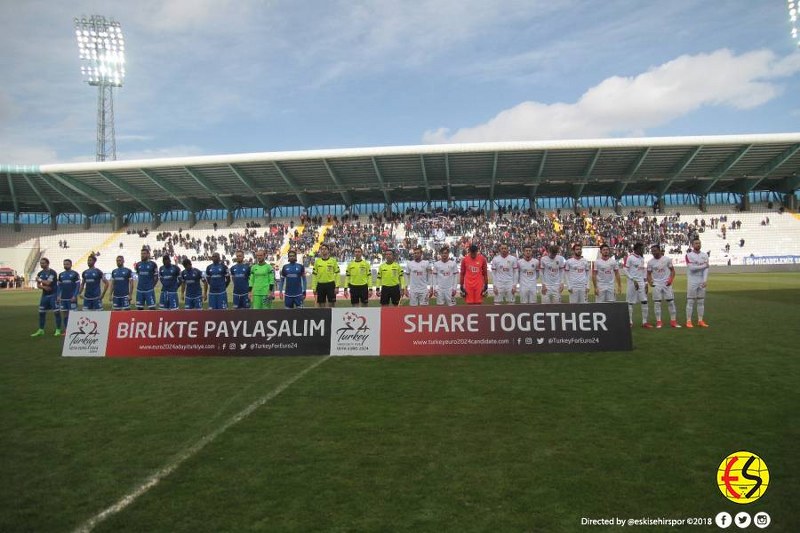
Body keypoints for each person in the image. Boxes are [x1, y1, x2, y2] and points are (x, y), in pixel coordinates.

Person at [647, 244, 680, 328]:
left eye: (655, 250)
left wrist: (670, 280)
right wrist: (650, 282)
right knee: (657, 303)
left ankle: (673, 321)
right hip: (656, 284)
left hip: (666, 284)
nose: (653, 252)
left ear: (659, 250)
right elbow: (648, 273)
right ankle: (659, 322)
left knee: (671, 302)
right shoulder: (650, 262)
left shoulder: (667, 259)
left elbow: (672, 271)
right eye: (652, 251)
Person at [31, 257, 62, 337]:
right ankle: (41, 330)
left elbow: (48, 282)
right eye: (41, 263)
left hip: (53, 295)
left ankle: (58, 330)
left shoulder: (52, 273)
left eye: (43, 263)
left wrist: (41, 281)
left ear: (48, 263)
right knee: (41, 313)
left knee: (56, 312)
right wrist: (44, 287)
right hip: (44, 295)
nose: (42, 264)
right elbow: (38, 285)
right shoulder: (40, 273)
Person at [623, 242, 651, 328]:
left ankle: (644, 322)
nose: (643, 250)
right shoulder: (630, 257)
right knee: (630, 302)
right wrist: (632, 279)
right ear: (637, 249)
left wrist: (646, 283)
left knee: (644, 301)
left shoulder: (642, 258)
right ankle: (630, 322)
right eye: (642, 248)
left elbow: (643, 271)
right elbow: (625, 270)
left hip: (641, 282)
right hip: (632, 282)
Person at [685, 238, 710, 328]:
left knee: (701, 301)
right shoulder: (689, 255)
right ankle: (688, 321)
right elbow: (692, 268)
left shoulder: (705, 255)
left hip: (701, 280)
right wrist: (704, 265)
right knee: (690, 301)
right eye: (696, 243)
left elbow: (706, 269)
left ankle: (700, 320)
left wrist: (705, 280)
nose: (698, 244)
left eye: (699, 243)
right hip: (692, 280)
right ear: (692, 245)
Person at [311, 244, 339, 308]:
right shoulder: (317, 262)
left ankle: (331, 317)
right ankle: (323, 317)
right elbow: (314, 275)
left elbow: (337, 273)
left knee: (332, 304)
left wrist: (337, 286)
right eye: (322, 249)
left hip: (331, 284)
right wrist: (314, 287)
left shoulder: (333, 261)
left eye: (325, 249)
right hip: (320, 285)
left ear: (328, 250)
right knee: (321, 304)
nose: (323, 250)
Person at [57, 259, 80, 329]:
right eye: (64, 264)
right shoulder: (61, 275)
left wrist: (74, 296)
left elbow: (78, 285)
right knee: (65, 314)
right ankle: (66, 329)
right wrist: (58, 296)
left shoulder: (75, 274)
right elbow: (59, 287)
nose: (65, 265)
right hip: (63, 298)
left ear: (71, 265)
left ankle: (75, 328)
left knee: (74, 314)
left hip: (71, 298)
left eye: (67, 264)